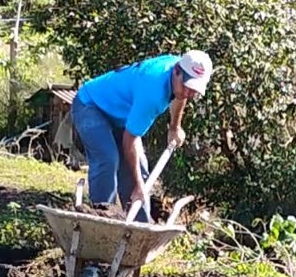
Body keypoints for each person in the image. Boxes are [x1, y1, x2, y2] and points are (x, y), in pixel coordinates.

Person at [70, 50, 214, 223]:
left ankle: (139, 231)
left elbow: (180, 96)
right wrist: (138, 186)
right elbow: (129, 140)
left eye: (194, 90)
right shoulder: (153, 92)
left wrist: (174, 128)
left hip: (119, 115)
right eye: (187, 87)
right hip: (91, 105)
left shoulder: (181, 72)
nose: (189, 94)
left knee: (140, 169)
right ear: (176, 71)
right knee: (108, 159)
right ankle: (101, 222)